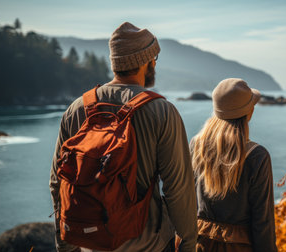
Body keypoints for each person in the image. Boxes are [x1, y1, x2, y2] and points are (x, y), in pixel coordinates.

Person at [49, 22, 197, 252]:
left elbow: (58, 182)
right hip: (149, 244)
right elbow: (178, 188)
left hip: (90, 243)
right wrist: (188, 242)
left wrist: (65, 245)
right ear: (147, 62)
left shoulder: (76, 109)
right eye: (153, 59)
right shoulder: (162, 111)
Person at [190, 78, 277, 252]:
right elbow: (263, 223)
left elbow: (187, 202)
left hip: (200, 244)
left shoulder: (196, 145)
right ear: (249, 113)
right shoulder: (257, 156)